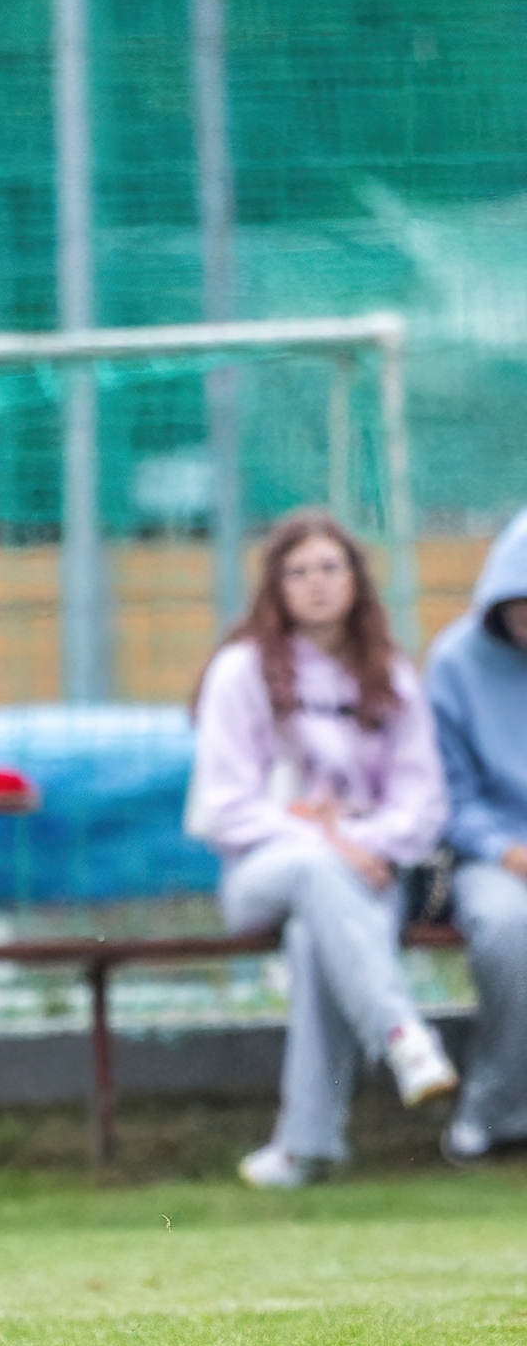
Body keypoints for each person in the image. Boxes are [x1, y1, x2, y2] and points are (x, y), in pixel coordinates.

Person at [187, 509, 456, 1188]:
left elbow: (422, 800)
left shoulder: (389, 675)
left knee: (317, 938)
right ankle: (401, 1034)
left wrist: (362, 842)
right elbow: (226, 806)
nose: (316, 583)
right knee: (314, 870)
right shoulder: (240, 672)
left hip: (368, 873)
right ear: (275, 587)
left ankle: (307, 1148)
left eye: (330, 568)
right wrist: (330, 840)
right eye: (298, 571)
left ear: (355, 580)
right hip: (264, 869)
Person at [425, 509, 527, 1163]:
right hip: (490, 856)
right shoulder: (454, 663)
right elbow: (446, 797)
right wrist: (507, 850)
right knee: (511, 928)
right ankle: (493, 1111)